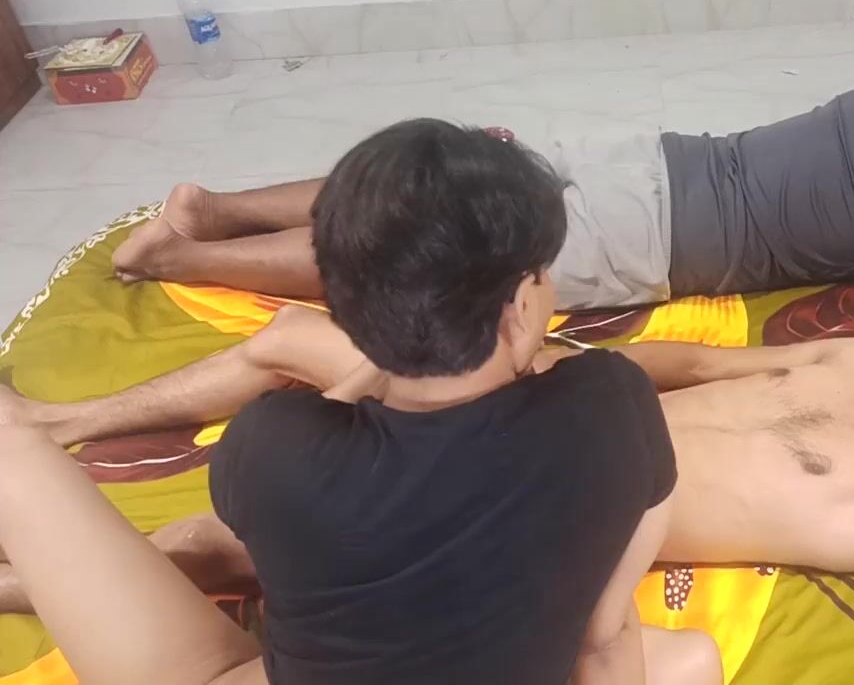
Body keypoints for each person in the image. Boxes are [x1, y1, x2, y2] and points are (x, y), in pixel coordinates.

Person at [0, 119, 725, 684]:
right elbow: (604, 636)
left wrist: (373, 368)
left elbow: (320, 500)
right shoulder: (614, 402)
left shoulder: (273, 447)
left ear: (342, 309)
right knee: (690, 658)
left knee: (16, 451)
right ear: (518, 309)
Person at [0, 305, 854, 608]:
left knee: (232, 542)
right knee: (302, 338)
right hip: (535, 409)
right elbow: (685, 362)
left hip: (523, 505)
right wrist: (544, 361)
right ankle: (58, 425)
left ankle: (23, 574)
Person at [110, 71, 854, 311]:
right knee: (433, 256)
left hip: (647, 157)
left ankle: (217, 209)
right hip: (656, 236)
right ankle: (183, 255)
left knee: (430, 180)